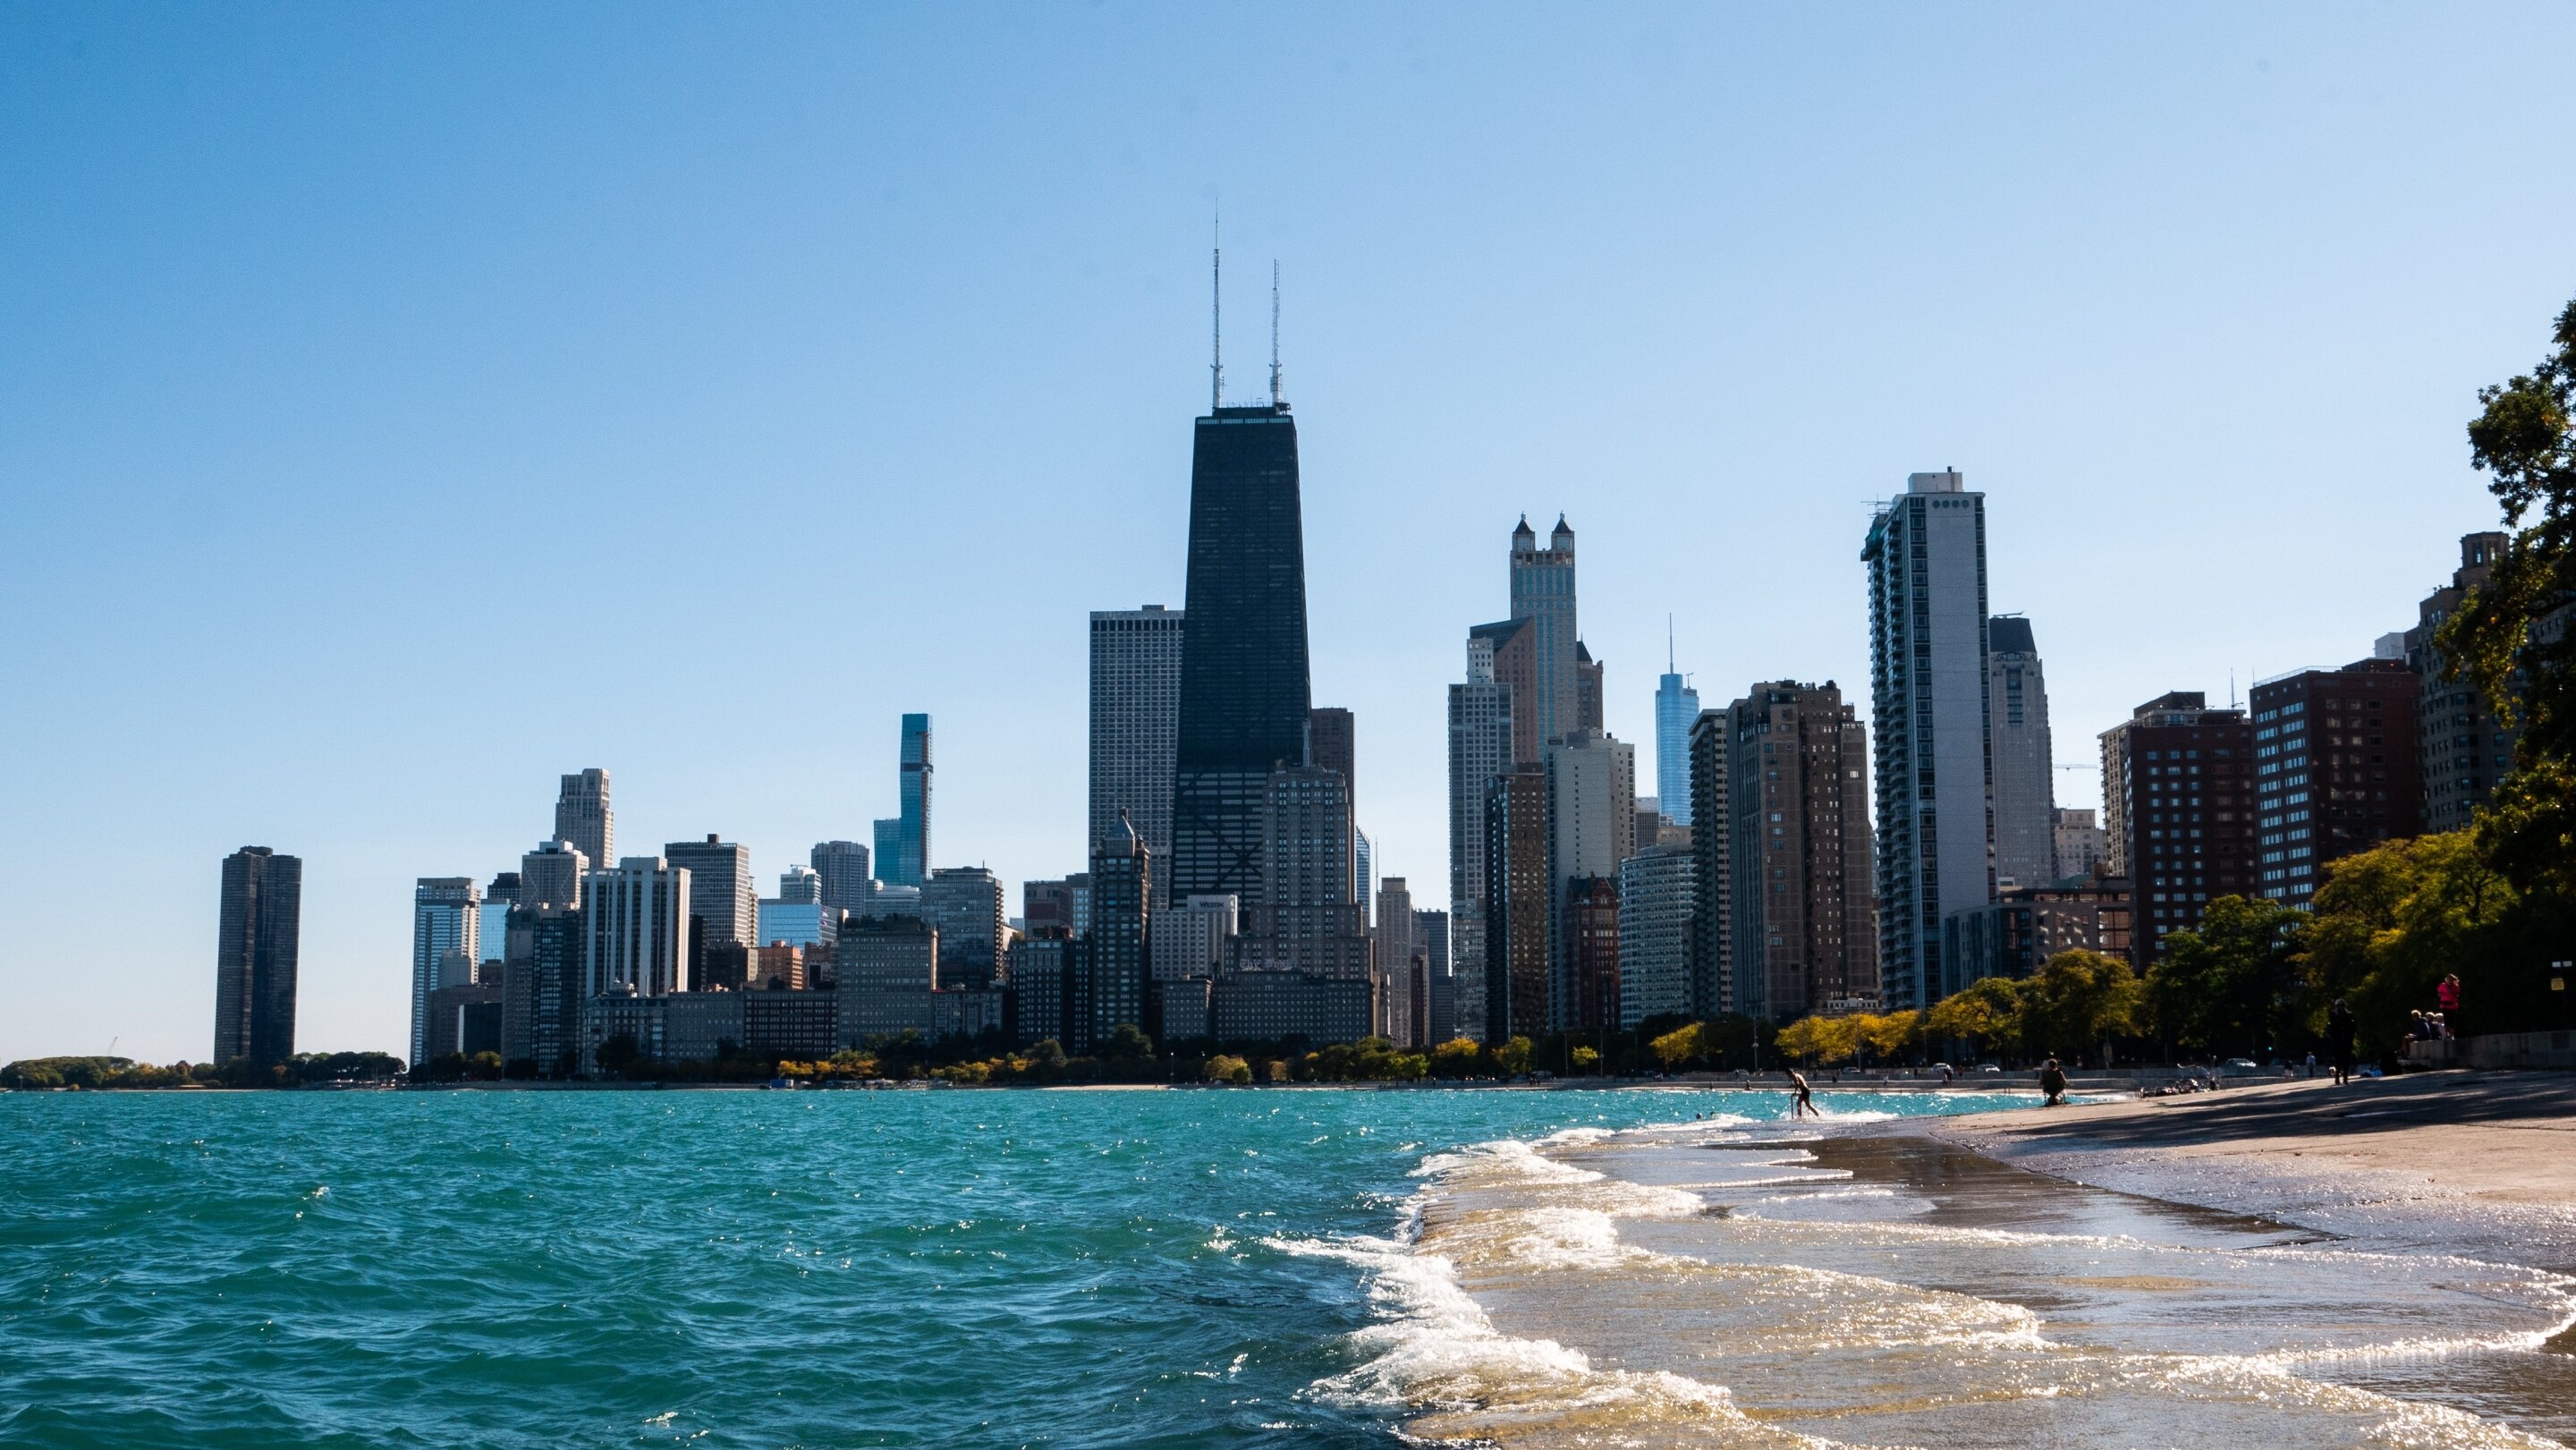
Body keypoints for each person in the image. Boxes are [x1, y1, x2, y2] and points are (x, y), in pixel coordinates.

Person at [2329, 998, 2357, 1085]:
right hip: (2337, 1041)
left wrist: (2350, 1039)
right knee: (2338, 1061)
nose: (2340, 1008)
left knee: (2346, 1061)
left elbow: (2352, 1028)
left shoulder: (2349, 1014)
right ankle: (2337, 1078)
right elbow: (2332, 1026)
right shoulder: (2333, 1014)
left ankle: (2345, 1079)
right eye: (2339, 1006)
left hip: (2346, 1041)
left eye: (2342, 1006)